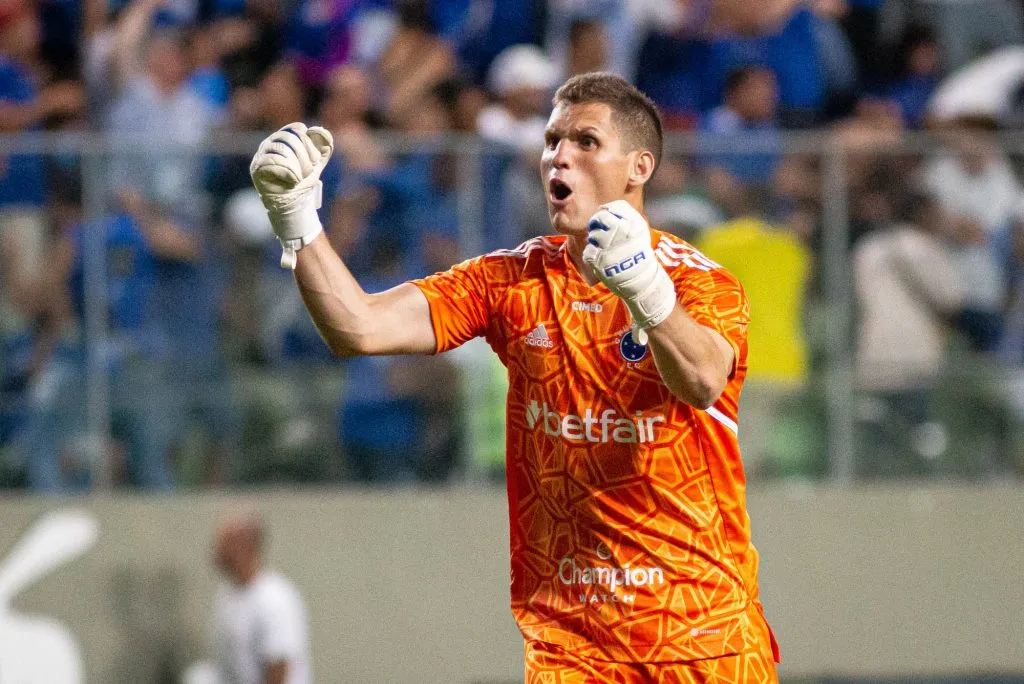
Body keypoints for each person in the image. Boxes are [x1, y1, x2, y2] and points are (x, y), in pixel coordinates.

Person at [249, 72, 779, 680]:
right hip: (570, 647)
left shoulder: (700, 282)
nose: (559, 155)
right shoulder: (511, 280)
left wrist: (647, 291)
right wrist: (298, 221)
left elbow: (704, 379)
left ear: (639, 167)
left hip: (703, 638)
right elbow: (359, 328)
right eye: (553, 140)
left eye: (585, 141)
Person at [211, 514, 311, 684]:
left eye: (223, 543)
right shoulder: (226, 596)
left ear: (243, 546)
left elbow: (279, 666)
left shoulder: (274, 599)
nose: (216, 550)